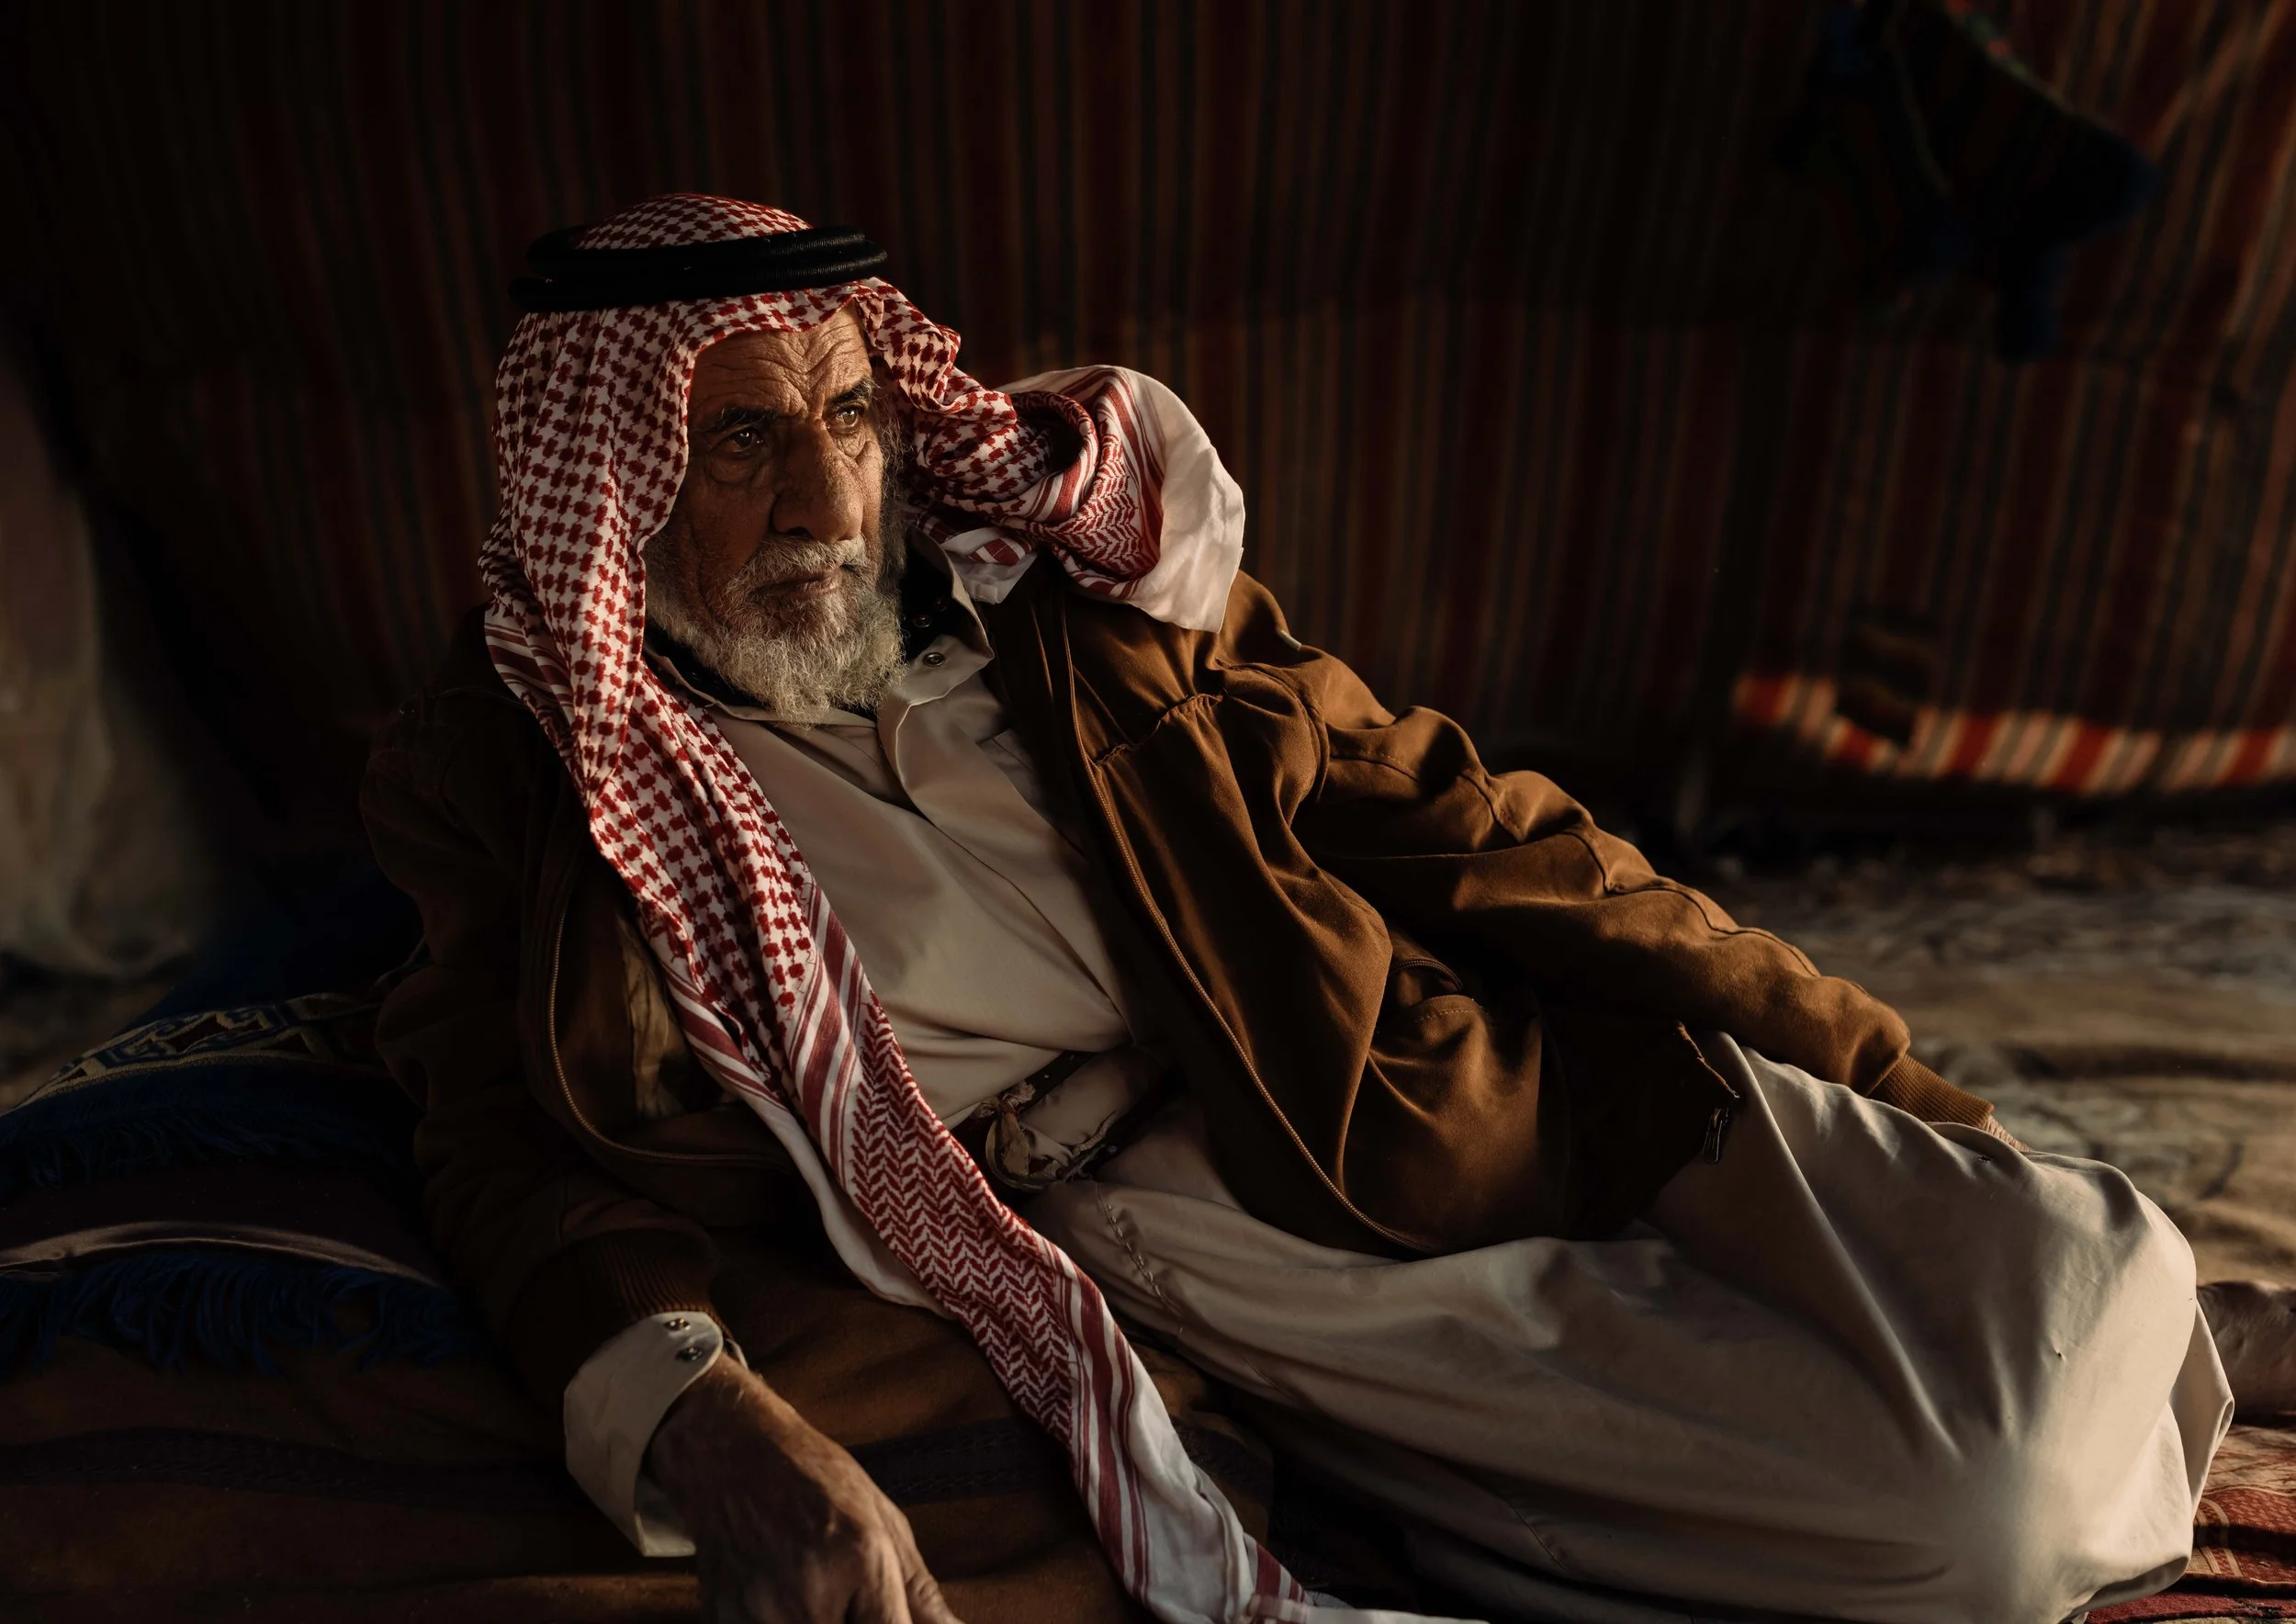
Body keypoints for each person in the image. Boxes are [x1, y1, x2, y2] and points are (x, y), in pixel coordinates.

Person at [364, 194, 2280, 1624]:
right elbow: (499, 1135)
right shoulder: (538, 760)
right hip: (1189, 1199)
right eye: (738, 440)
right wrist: (693, 1410)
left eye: (853, 418)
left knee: (2069, 1262)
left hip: (1446, 1046)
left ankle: (2170, 1329)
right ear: (610, 482)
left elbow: (1465, 821)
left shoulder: (1064, 592)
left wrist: (1880, 1078)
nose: (827, 499)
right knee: (1974, 1521)